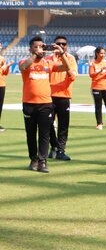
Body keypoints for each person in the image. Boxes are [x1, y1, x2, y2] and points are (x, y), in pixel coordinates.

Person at [19, 36, 72, 173]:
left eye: (41, 47)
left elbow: (66, 67)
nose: (39, 49)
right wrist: (34, 56)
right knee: (30, 134)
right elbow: (23, 67)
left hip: (45, 104)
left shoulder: (48, 63)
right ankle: (33, 159)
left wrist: (61, 53)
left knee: (44, 134)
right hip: (29, 104)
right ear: (30, 48)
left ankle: (42, 161)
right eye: (36, 47)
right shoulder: (25, 61)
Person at [47, 35, 78, 161]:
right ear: (54, 45)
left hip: (64, 96)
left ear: (67, 46)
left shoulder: (70, 59)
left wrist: (63, 56)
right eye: (58, 43)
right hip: (48, 96)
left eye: (63, 44)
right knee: (47, 124)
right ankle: (54, 146)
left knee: (63, 126)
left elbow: (73, 76)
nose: (61, 45)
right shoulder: (48, 59)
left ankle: (61, 150)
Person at [89, 46, 106, 130]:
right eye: (101, 53)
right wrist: (100, 71)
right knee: (98, 106)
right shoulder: (93, 63)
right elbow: (91, 75)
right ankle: (99, 123)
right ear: (97, 53)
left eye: (104, 53)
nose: (103, 55)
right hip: (96, 87)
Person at [0, 43, 12, 132]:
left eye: (0, 46)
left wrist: (7, 67)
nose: (0, 47)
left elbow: (5, 73)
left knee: (0, 105)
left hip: (2, 84)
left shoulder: (2, 59)